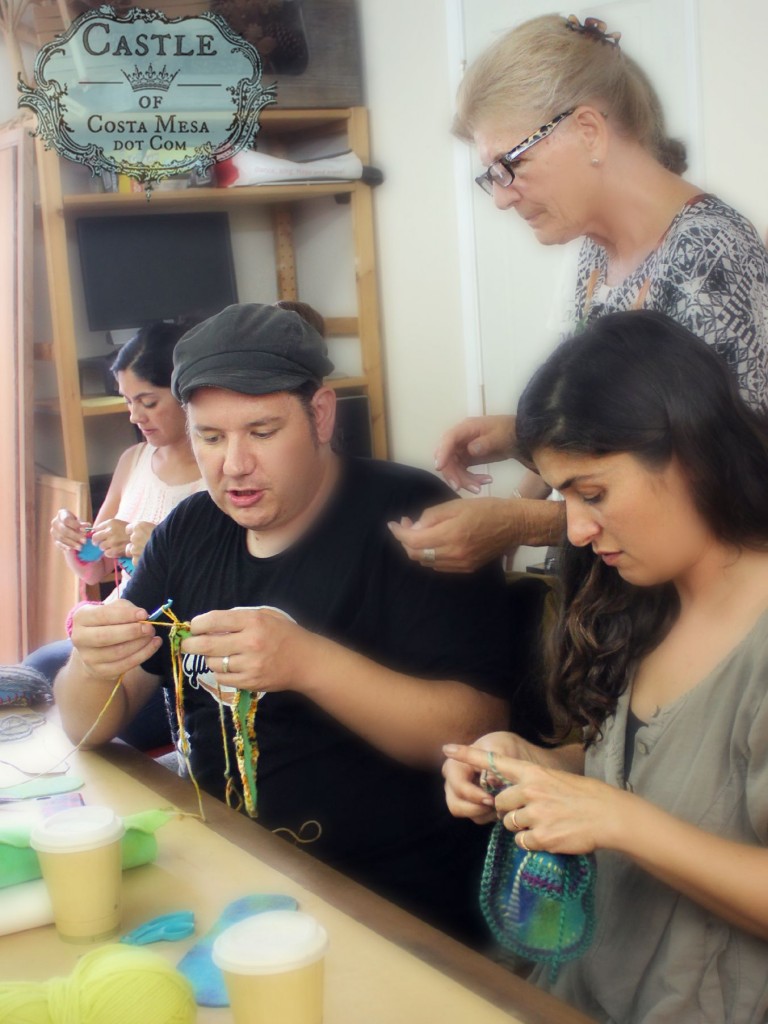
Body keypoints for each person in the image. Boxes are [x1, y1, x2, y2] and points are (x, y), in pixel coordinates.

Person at [54, 302, 513, 943]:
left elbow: (475, 728)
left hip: (384, 899)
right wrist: (91, 658)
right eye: (209, 437)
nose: (233, 464)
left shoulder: (412, 520)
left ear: (320, 415)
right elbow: (87, 725)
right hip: (230, 871)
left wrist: (309, 664)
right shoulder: (189, 531)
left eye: (262, 432)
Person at [443, 310, 768, 1022]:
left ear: (692, 452)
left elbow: (630, 812)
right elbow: (648, 772)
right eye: (563, 497)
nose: (579, 529)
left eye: (592, 494)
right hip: (583, 989)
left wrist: (619, 820)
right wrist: (534, 765)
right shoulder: (644, 597)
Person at [390, 12, 768, 574]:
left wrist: (522, 524)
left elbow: (716, 489)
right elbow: (610, 429)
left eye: (508, 166)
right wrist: (521, 438)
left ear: (588, 130)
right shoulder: (598, 251)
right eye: (492, 175)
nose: (501, 197)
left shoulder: (710, 254)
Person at [26, 320, 204, 750]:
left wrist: (158, 545)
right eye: (128, 401)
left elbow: (218, 581)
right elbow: (97, 569)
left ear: (187, 393)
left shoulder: (215, 474)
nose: (134, 416)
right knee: (33, 672)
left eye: (147, 401)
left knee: (104, 722)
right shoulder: (133, 460)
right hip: (114, 636)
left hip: (163, 651)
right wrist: (76, 540)